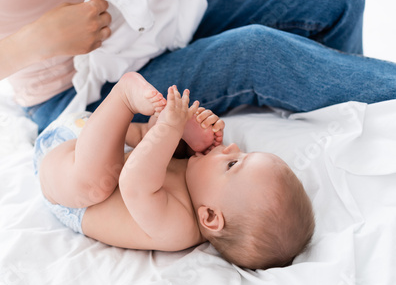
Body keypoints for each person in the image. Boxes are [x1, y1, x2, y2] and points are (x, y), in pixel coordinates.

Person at [0, 0, 395, 134]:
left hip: (162, 21)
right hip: (81, 95)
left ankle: (344, 121)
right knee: (255, 53)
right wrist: (38, 40)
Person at [34, 72, 315, 270]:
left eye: (233, 163)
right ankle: (151, 127)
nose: (232, 147)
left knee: (93, 186)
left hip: (63, 174)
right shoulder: (200, 187)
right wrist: (183, 136)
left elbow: (133, 181)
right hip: (94, 140)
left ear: (210, 216)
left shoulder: (177, 229)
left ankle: (123, 96)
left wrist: (169, 129)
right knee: (155, 146)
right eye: (240, 152)